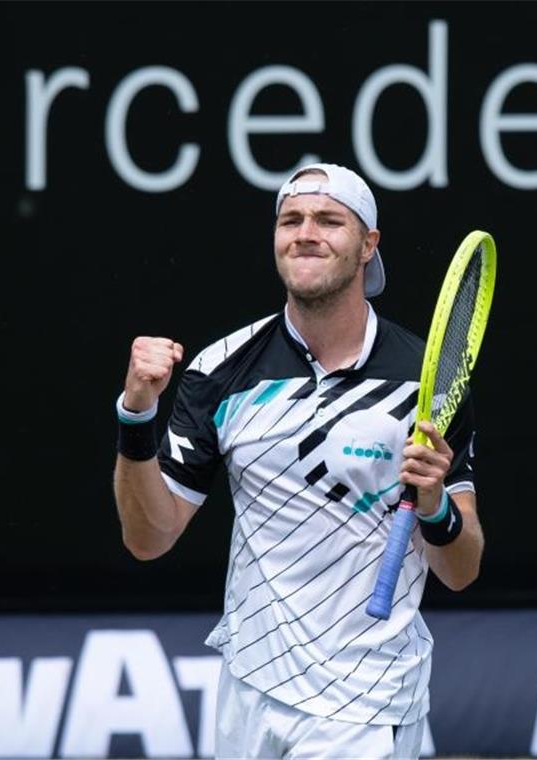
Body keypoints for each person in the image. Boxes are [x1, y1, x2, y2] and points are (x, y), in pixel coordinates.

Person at [113, 163, 484, 760]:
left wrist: (437, 505)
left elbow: (460, 570)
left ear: (368, 245)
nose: (306, 232)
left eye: (329, 220)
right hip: (250, 685)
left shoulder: (427, 382)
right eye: (292, 219)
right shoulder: (220, 371)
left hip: (368, 699)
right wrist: (135, 418)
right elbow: (149, 538)